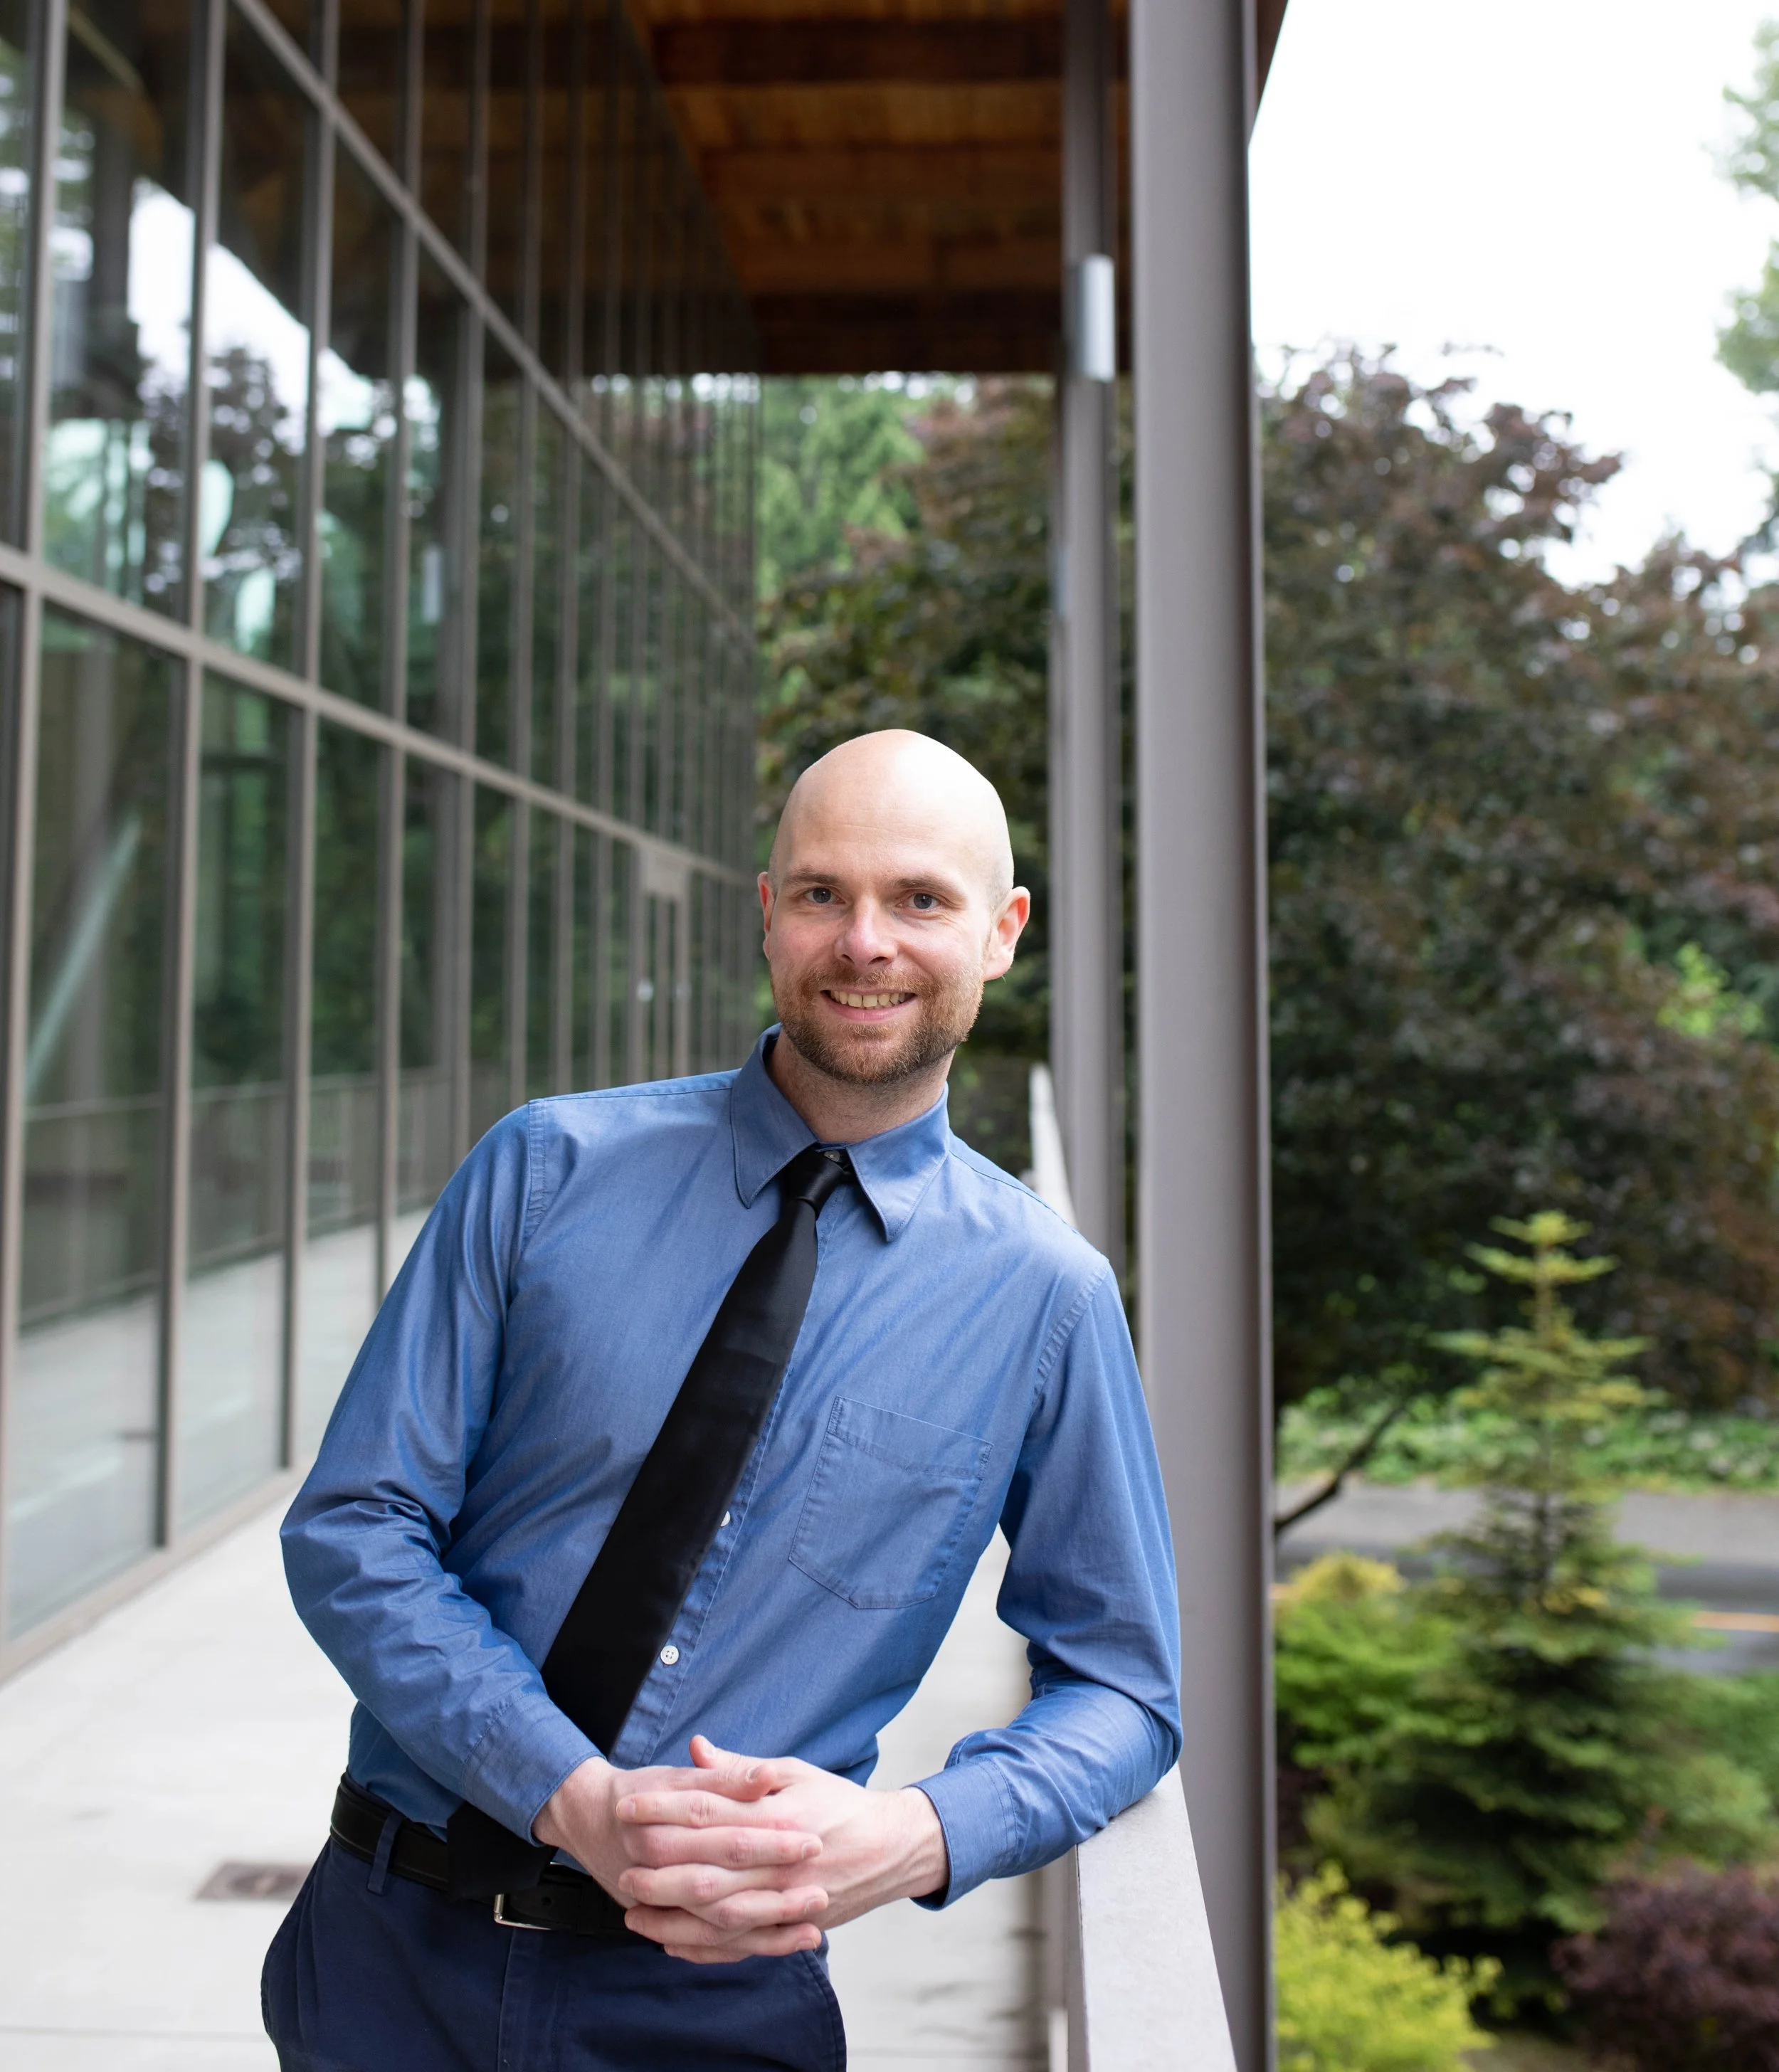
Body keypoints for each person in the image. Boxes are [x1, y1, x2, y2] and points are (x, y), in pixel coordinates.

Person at [265, 729, 1181, 2072]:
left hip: (709, 2015)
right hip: (393, 1958)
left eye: (920, 900)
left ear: (1001, 932)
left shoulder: (1047, 1297)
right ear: (769, 915)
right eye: (822, 894)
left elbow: (1125, 1689)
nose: (864, 942)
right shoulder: (543, 1172)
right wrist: (567, 1795)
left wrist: (919, 1836)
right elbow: (353, 1528)